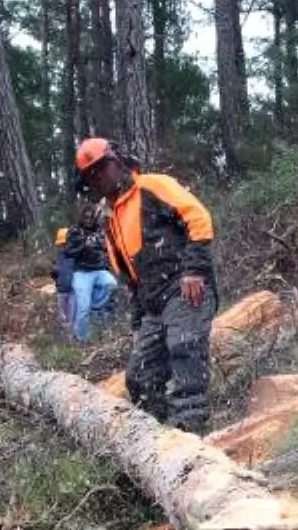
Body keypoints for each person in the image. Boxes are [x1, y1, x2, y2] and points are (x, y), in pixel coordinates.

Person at [74, 137, 217, 434]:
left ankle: (191, 429)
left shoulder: (151, 187)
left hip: (184, 286)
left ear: (117, 160)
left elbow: (198, 218)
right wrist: (138, 319)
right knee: (139, 376)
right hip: (153, 303)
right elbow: (129, 276)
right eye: (92, 175)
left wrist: (194, 269)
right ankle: (160, 437)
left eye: (102, 168)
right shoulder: (111, 219)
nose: (99, 177)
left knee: (184, 346)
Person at [64, 203, 118, 343]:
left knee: (111, 284)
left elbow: (107, 248)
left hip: (99, 269)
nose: (88, 219)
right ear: (81, 217)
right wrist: (84, 246)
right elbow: (68, 252)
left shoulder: (100, 231)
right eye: (86, 216)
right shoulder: (74, 231)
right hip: (81, 272)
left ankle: (97, 308)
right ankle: (82, 338)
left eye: (91, 216)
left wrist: (98, 244)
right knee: (83, 307)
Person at [51, 227, 76, 336]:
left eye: (64, 243)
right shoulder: (58, 256)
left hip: (73, 291)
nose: (63, 246)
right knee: (63, 317)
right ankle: (65, 337)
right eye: (61, 244)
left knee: (72, 316)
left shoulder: (75, 255)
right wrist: (54, 273)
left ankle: (73, 337)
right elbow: (55, 273)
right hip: (61, 291)